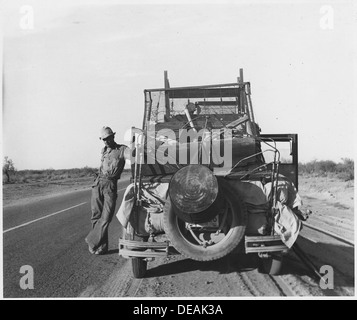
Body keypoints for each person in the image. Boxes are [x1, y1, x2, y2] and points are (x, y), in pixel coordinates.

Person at [85, 126, 130, 255]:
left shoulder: (122, 149)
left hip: (110, 184)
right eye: (104, 139)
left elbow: (131, 154)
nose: (106, 141)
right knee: (96, 216)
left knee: (106, 217)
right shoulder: (103, 150)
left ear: (113, 137)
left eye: (108, 138)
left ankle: (92, 241)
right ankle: (101, 247)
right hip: (98, 183)